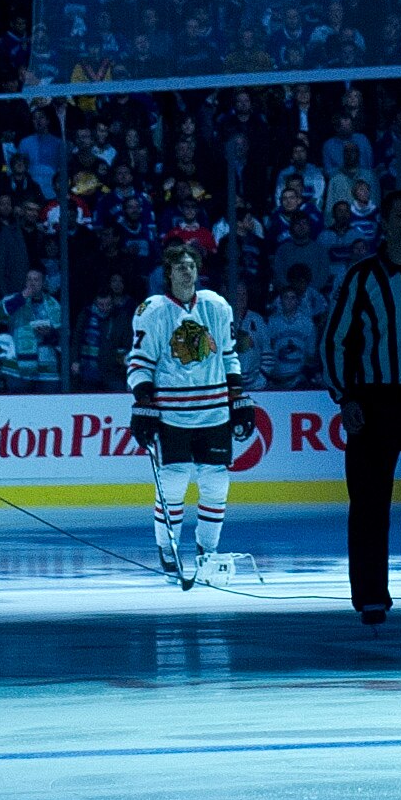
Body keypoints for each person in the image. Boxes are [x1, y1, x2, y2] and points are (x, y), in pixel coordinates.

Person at [320, 192, 401, 628]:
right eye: (400, 214)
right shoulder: (361, 277)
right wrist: (345, 397)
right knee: (369, 504)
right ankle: (371, 597)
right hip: (374, 404)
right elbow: (335, 339)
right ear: (386, 222)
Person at [127, 243, 249, 583]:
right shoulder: (151, 311)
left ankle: (206, 551)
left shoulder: (216, 306)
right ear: (168, 273)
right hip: (173, 415)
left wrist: (237, 395)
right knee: (173, 484)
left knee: (216, 485)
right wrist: (144, 401)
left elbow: (228, 356)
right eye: (180, 266)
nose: (187, 271)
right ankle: (168, 549)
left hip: (213, 413)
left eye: (191, 265)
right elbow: (139, 363)